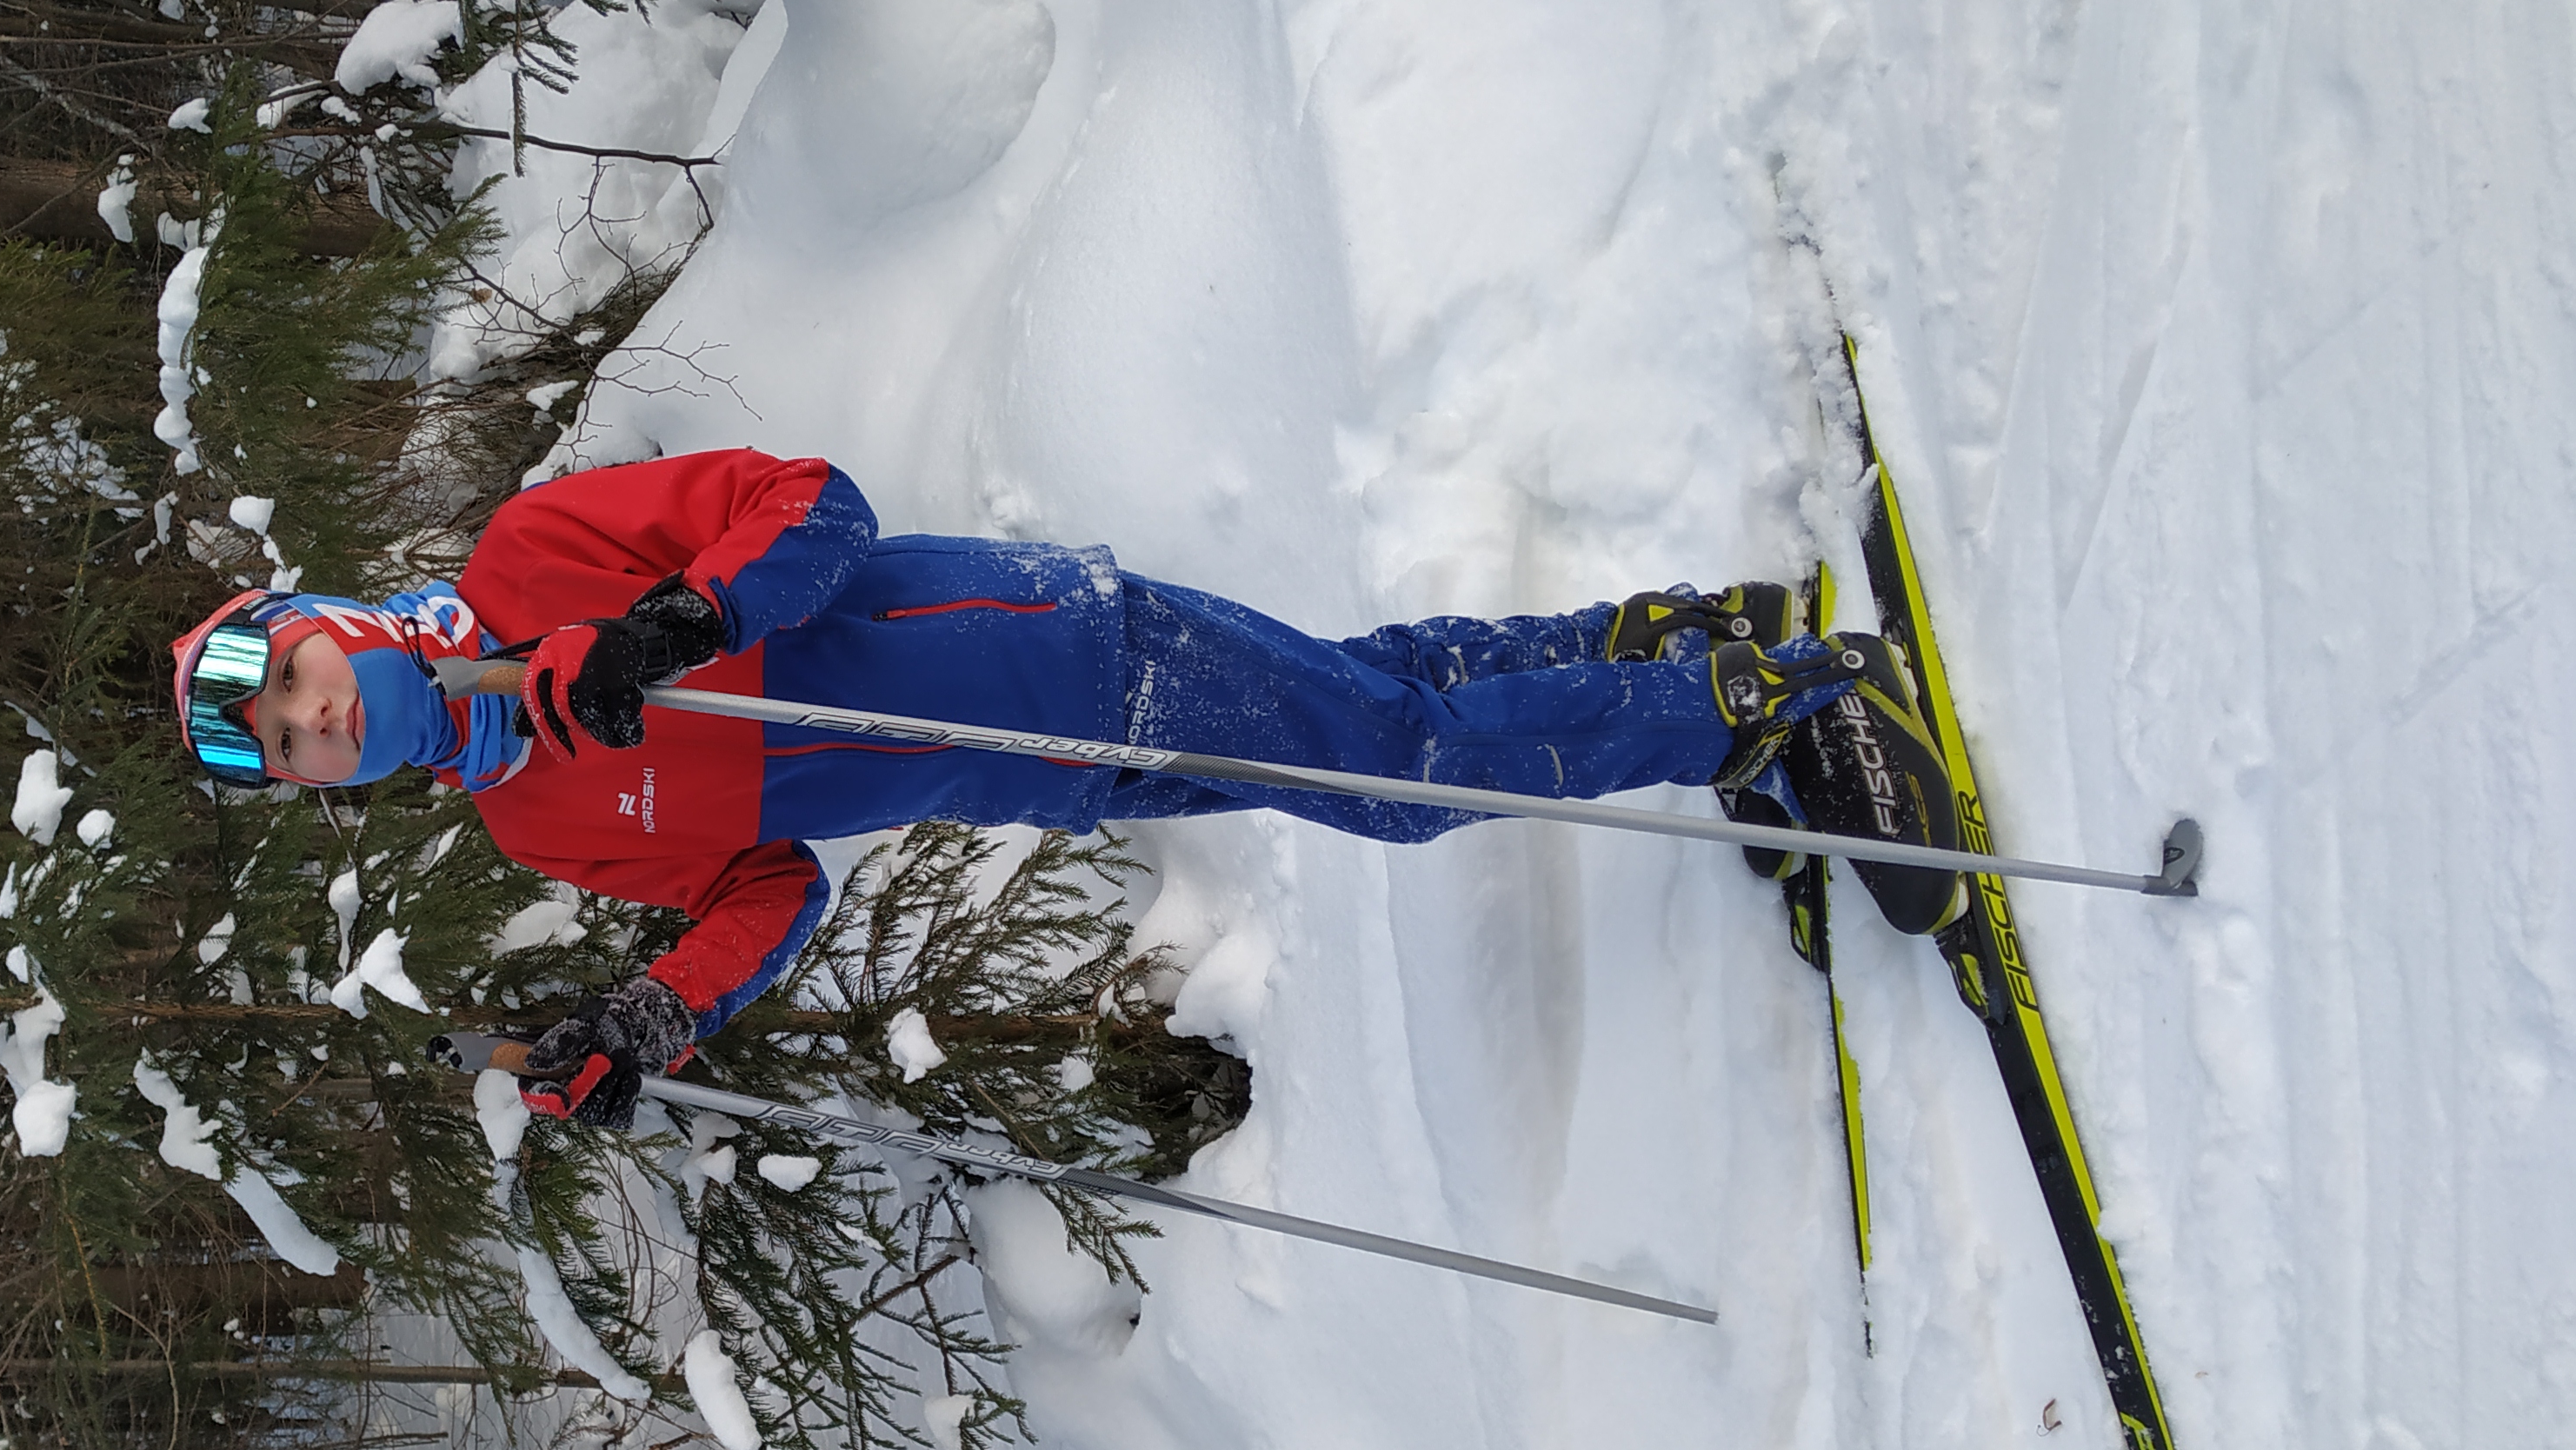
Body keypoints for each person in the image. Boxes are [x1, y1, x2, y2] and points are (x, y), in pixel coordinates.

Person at [171, 449, 1958, 1127]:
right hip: (1063, 771)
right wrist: (647, 1011)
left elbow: (817, 510)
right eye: (303, 747)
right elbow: (768, 888)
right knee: (1379, 702)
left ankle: (1767, 713)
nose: (327, 723)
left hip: (1053, 650)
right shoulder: (529, 815)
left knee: (1393, 778)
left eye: (306, 684)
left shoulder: (537, 553)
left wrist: (673, 620)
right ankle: (1666, 645)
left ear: (329, 626)